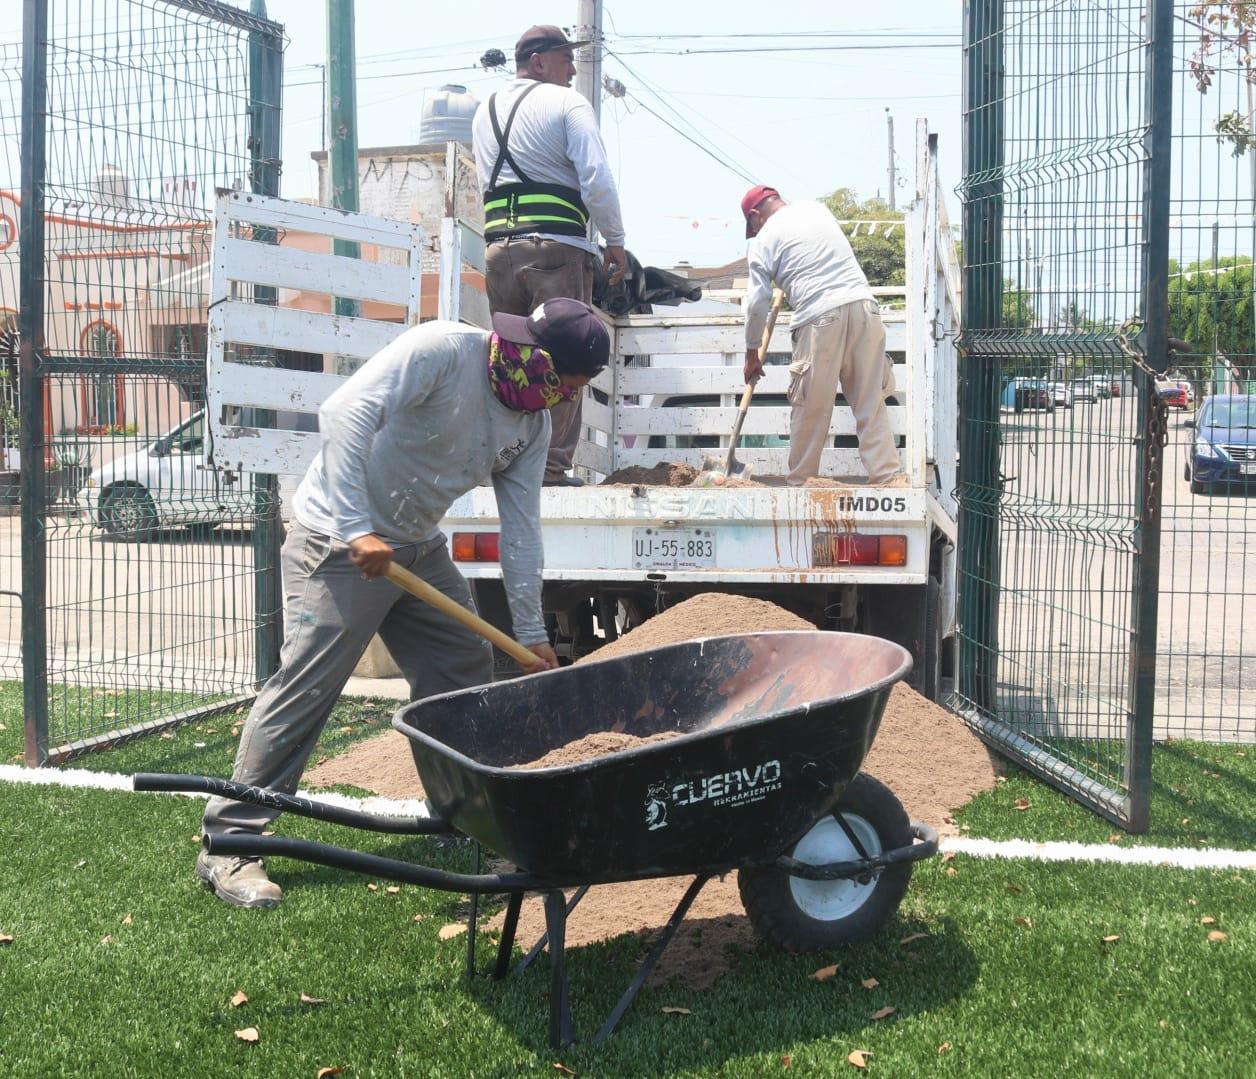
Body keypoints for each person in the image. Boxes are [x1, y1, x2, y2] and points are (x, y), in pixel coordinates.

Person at [197, 299, 610, 908]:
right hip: (336, 542)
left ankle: (460, 822)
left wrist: (530, 632)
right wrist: (357, 526)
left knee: (461, 675)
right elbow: (343, 413)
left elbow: (521, 531)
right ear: (535, 355)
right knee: (305, 687)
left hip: (416, 548)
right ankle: (229, 845)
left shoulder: (532, 424)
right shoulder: (442, 351)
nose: (566, 399)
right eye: (567, 383)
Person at [472, 24, 627, 487]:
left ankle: (508, 463)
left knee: (511, 361)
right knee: (565, 356)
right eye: (565, 59)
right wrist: (615, 240)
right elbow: (596, 177)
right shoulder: (567, 104)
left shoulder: (485, 110)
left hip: (499, 249)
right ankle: (551, 469)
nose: (573, 68)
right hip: (556, 250)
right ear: (538, 62)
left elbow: (486, 181)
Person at [741, 185, 907, 489]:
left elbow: (756, 302)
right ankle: (887, 478)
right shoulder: (816, 209)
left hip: (820, 317)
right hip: (864, 308)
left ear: (755, 216)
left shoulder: (763, 240)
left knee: (811, 407)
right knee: (870, 401)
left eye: (751, 226)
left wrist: (752, 353)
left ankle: (801, 484)